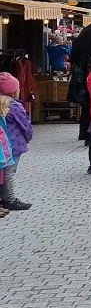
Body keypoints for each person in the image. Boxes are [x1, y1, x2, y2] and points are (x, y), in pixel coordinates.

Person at [0, 72, 33, 209]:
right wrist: (28, 137)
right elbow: (25, 125)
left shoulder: (3, 104)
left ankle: (5, 197)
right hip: (14, 144)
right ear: (14, 90)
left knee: (3, 172)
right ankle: (10, 199)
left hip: (4, 145)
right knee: (9, 173)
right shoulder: (14, 106)